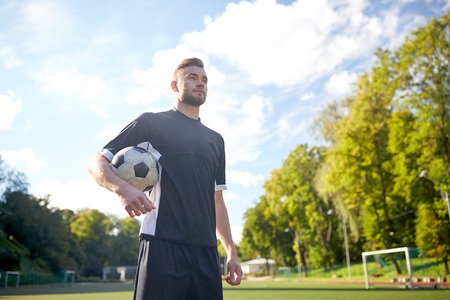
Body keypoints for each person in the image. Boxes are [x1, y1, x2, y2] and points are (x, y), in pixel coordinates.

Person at [87, 57, 243, 299]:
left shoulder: (216, 140)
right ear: (174, 86)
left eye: (204, 80)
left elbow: (217, 201)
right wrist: (122, 189)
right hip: (162, 244)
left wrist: (230, 251)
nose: (200, 83)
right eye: (191, 77)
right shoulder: (151, 122)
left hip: (206, 252)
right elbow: (97, 162)